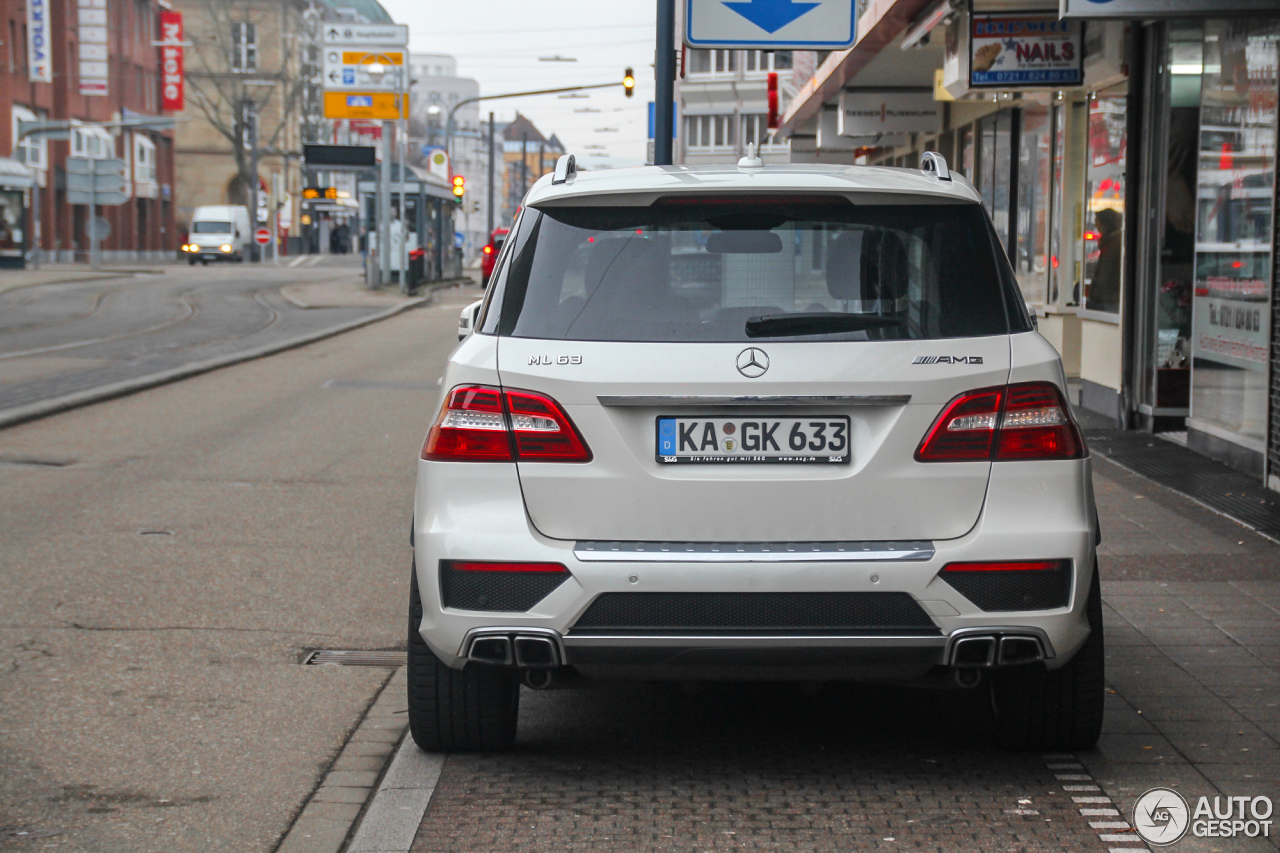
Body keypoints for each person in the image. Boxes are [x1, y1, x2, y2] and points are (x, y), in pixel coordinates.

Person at [1087, 207, 1122, 312]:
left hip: (1107, 301)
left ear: (1105, 224)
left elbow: (1107, 274)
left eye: (1097, 222)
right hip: (1103, 299)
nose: (1096, 226)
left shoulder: (1114, 245)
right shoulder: (1108, 243)